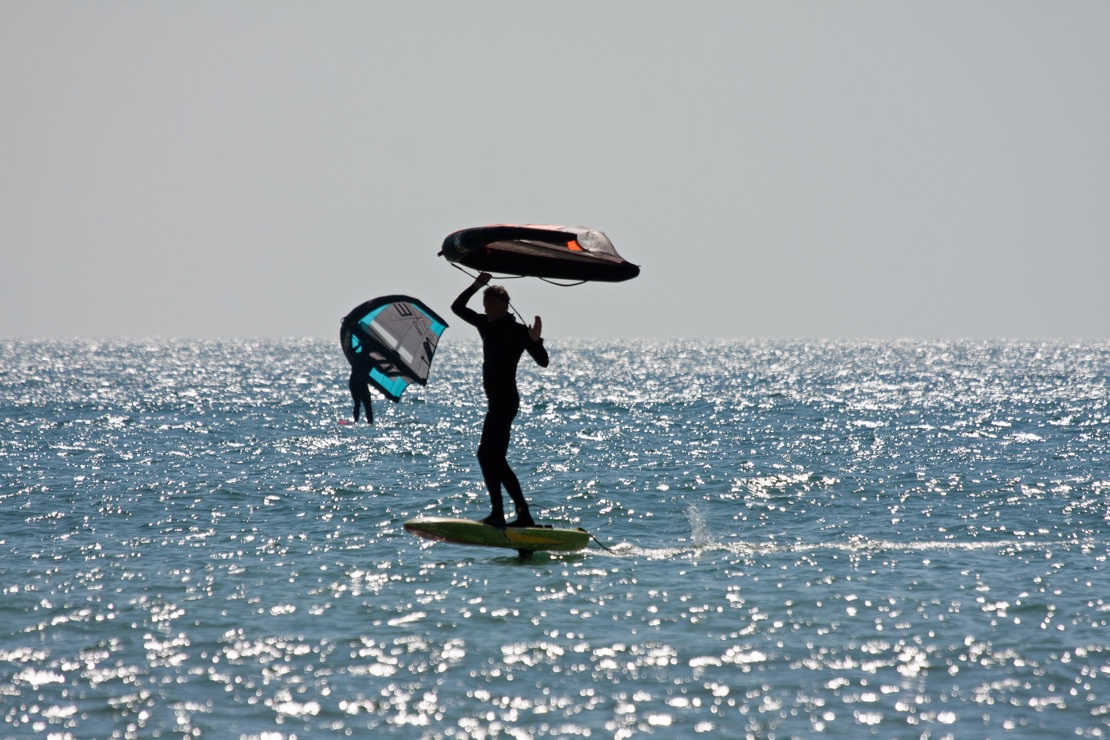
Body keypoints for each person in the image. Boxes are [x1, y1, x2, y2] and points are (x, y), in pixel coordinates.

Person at [451, 272, 549, 527]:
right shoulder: (485, 324)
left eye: (492, 306)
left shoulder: (518, 332)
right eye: (486, 307)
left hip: (506, 400)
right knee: (494, 458)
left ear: (505, 305)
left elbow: (543, 362)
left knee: (487, 455)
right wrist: (476, 286)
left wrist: (536, 341)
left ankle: (500, 514)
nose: (488, 311)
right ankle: (522, 515)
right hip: (496, 400)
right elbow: (457, 307)